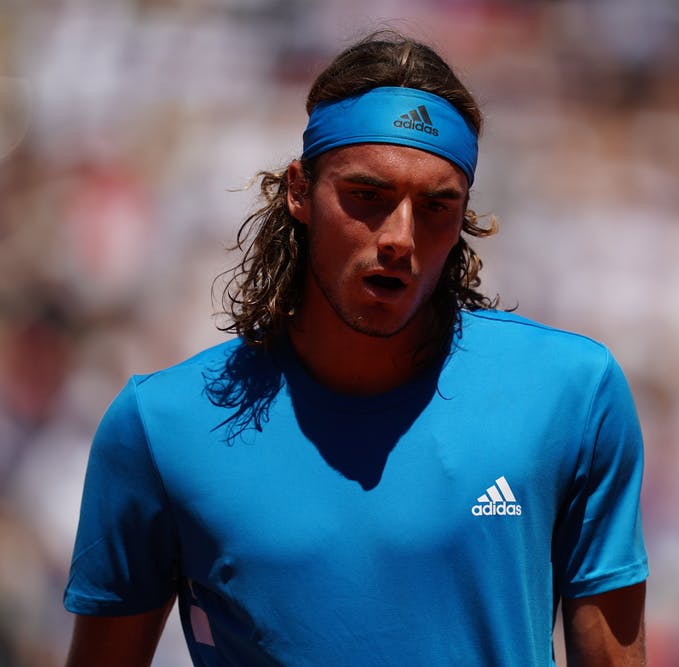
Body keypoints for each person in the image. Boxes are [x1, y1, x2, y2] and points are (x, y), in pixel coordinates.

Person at [63, 30, 648, 666]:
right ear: (298, 192)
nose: (400, 236)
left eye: (435, 206)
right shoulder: (158, 427)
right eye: (366, 196)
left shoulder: (573, 393)